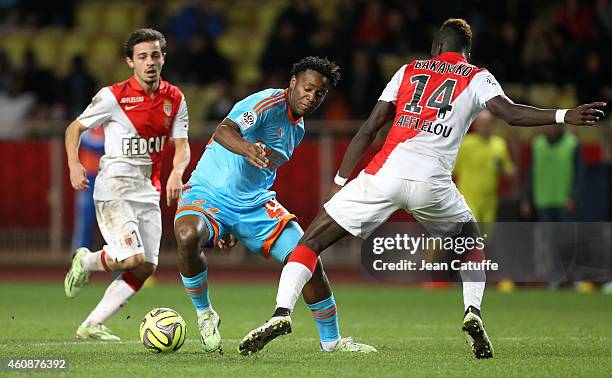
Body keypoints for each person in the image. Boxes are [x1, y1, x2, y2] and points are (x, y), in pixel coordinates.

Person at [239, 18, 607, 358]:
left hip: (385, 174)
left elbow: (370, 128)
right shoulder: (477, 76)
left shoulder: (408, 70)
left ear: (435, 47)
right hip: (434, 184)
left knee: (310, 243)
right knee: (471, 246)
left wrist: (340, 182)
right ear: (466, 52)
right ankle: (473, 313)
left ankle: (282, 312)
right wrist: (564, 115)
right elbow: (510, 113)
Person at [174, 56, 375, 354]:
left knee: (307, 259)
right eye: (307, 88)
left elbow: (264, 171)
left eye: (319, 94)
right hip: (209, 193)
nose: (312, 97)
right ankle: (205, 314)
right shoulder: (267, 103)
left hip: (254, 203)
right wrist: (246, 149)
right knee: (188, 235)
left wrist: (234, 224)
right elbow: (224, 130)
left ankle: (332, 342)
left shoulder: (299, 129)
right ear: (293, 83)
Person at [63, 28, 191, 341]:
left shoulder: (175, 98)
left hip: (149, 191)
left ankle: (91, 324)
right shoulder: (113, 96)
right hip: (114, 188)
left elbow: (183, 146)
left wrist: (177, 172)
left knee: (145, 266)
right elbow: (74, 128)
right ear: (130, 61)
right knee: (132, 258)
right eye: (142, 56)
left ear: (163, 58)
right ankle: (86, 260)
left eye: (155, 55)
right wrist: (74, 163)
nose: (150, 62)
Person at [454, 110, 515, 224]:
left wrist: (510, 171)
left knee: (487, 236)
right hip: (468, 199)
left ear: (493, 124)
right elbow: (452, 170)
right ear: (475, 124)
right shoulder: (465, 144)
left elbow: (506, 169)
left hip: (490, 201)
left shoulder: (500, 144)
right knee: (472, 235)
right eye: (481, 123)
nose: (484, 126)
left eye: (487, 123)